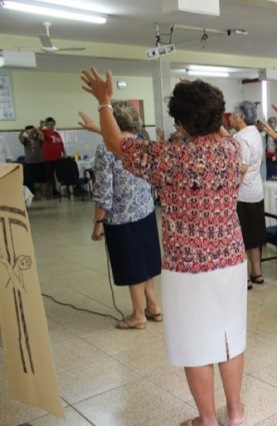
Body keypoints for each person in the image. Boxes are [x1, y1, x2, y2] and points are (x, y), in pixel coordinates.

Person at [80, 68, 247, 426]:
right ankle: (235, 414)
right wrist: (201, 106)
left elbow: (116, 144)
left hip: (188, 268)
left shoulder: (169, 158)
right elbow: (209, 127)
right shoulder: (232, 150)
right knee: (230, 336)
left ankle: (207, 420)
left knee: (196, 344)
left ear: (181, 124)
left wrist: (104, 102)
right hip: (231, 259)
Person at [79, 101, 162, 330]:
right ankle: (153, 306)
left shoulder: (105, 150)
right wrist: (98, 128)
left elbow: (104, 191)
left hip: (121, 217)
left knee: (132, 264)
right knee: (145, 261)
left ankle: (138, 315)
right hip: (145, 212)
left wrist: (98, 223)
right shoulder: (141, 143)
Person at [230, 101, 266, 289]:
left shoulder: (241, 138)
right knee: (254, 234)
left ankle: (244, 277)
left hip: (243, 193)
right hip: (256, 191)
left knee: (242, 236)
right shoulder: (254, 133)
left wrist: (231, 187)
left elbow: (242, 167)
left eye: (234, 114)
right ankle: (257, 272)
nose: (231, 118)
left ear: (242, 117)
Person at [41, 117, 66, 198]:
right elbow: (38, 131)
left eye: (52, 124)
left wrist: (64, 153)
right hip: (48, 158)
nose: (51, 126)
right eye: (49, 124)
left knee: (57, 175)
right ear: (46, 125)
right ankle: (47, 193)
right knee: (49, 176)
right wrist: (41, 126)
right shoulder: (44, 132)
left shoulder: (56, 134)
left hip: (58, 158)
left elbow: (61, 145)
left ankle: (55, 190)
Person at [18, 125, 45, 195]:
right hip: (29, 163)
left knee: (42, 180)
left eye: (32, 131)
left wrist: (37, 130)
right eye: (29, 132)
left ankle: (44, 194)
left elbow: (42, 137)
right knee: (30, 180)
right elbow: (20, 138)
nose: (31, 133)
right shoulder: (25, 141)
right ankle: (31, 194)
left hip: (39, 162)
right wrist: (22, 132)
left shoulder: (38, 139)